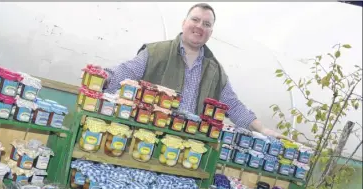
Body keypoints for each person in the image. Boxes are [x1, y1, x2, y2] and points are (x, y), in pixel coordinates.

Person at [105, 3, 286, 139]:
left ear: (210, 32)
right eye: (195, 20)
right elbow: (126, 72)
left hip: (188, 149)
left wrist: (262, 129)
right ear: (184, 23)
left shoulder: (215, 71)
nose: (200, 26)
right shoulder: (156, 53)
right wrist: (103, 77)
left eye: (206, 24)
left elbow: (233, 105)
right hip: (147, 138)